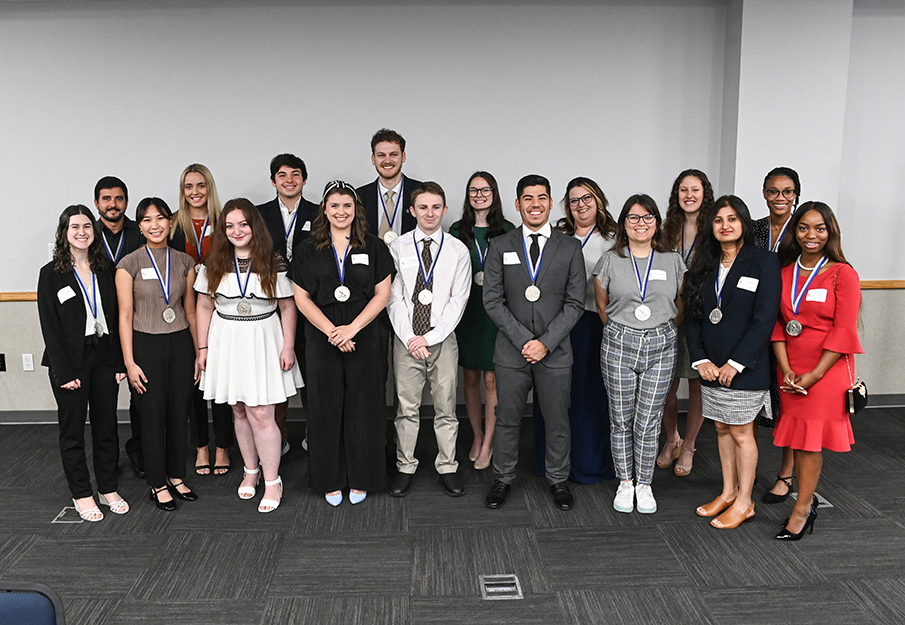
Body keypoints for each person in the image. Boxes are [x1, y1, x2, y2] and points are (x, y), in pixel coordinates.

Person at [482, 174, 585, 511]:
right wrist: (527, 341)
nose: (535, 204)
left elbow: (574, 303)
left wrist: (546, 343)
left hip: (555, 353)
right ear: (517, 204)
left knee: (557, 418)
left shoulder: (569, 247)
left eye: (542, 198)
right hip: (511, 352)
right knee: (507, 417)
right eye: (528, 198)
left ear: (551, 203)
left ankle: (558, 479)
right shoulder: (499, 245)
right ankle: (503, 477)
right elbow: (492, 301)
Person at [195, 198, 303, 513]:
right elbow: (203, 305)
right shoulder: (213, 261)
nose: (237, 230)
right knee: (239, 410)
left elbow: (287, 306)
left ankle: (272, 481)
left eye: (243, 224)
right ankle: (250, 471)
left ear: (254, 225)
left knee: (262, 414)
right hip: (226, 338)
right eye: (229, 225)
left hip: (263, 338)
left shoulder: (274, 260)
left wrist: (288, 346)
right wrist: (203, 349)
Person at [292, 181, 394, 506]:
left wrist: (351, 329)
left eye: (347, 206)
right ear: (324, 209)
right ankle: (329, 479)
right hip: (322, 338)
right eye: (334, 206)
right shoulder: (308, 248)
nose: (341, 212)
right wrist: (332, 332)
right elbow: (301, 298)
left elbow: (383, 295)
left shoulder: (374, 246)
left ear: (356, 210)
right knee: (325, 407)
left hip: (364, 334)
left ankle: (363, 476)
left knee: (364, 407)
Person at [684, 195, 781, 529]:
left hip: (745, 368)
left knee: (741, 433)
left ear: (744, 223)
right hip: (711, 367)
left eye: (732, 219)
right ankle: (727, 493)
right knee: (722, 429)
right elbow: (694, 317)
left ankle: (745, 501)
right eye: (718, 220)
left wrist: (736, 363)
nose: (725, 226)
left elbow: (764, 319)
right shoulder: (704, 263)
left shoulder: (764, 262)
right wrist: (701, 361)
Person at [771, 202, 863, 540]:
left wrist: (814, 374)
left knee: (810, 443)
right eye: (804, 228)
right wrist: (786, 368)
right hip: (791, 369)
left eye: (820, 228)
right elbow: (778, 326)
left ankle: (803, 508)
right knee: (798, 438)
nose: (812, 235)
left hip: (825, 371)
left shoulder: (842, 273)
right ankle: (803, 502)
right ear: (794, 232)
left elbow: (844, 330)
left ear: (830, 232)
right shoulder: (782, 275)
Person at [594, 194, 684, 514]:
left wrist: (659, 327)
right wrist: (624, 328)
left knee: (648, 420)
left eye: (647, 217)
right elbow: (602, 304)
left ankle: (644, 483)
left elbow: (680, 301)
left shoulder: (671, 260)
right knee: (621, 419)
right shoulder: (610, 260)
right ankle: (625, 482)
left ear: (656, 222)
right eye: (633, 217)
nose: (640, 223)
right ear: (624, 224)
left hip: (661, 345)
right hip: (618, 344)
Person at [38, 205, 129, 522]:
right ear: (64, 232)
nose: (81, 232)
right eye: (74, 226)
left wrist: (119, 361)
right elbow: (49, 326)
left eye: (87, 226)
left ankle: (107, 487)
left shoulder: (107, 269)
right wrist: (63, 372)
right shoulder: (51, 274)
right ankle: (82, 493)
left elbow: (118, 319)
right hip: (69, 363)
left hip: (104, 356)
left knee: (107, 429)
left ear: (95, 231)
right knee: (73, 432)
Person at [387, 182, 472, 497]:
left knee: (446, 407)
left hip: (443, 341)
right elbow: (393, 299)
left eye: (436, 207)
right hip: (405, 340)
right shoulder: (397, 249)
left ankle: (447, 466)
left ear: (445, 210)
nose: (430, 213)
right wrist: (411, 337)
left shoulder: (457, 251)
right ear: (412, 211)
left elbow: (458, 300)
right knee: (406, 408)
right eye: (423, 207)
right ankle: (405, 465)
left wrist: (431, 338)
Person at [116, 197, 198, 511]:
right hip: (144, 345)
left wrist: (197, 353)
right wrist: (129, 361)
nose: (155, 225)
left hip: (179, 344)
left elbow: (189, 310)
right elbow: (125, 315)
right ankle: (157, 482)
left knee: (179, 413)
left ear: (170, 222)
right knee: (151, 417)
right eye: (148, 220)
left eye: (161, 218)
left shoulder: (184, 262)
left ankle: (177, 475)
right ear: (140, 226)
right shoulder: (128, 264)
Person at [534, 177, 618, 484]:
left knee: (587, 394)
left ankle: (587, 463)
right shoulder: (557, 235)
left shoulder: (614, 238)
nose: (581, 205)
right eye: (574, 200)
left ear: (598, 201)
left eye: (587, 198)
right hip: (558, 325)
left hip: (593, 324)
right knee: (556, 394)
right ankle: (552, 463)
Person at [448, 171, 515, 471]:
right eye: (474, 190)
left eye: (485, 189)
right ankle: (475, 435)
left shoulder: (508, 230)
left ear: (494, 193)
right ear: (467, 195)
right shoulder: (456, 230)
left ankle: (489, 442)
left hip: (497, 313)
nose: (479, 195)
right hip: (467, 312)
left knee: (491, 379)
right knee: (471, 377)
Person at [171, 164, 234, 476]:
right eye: (188, 187)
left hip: (219, 310)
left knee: (219, 382)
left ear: (210, 187)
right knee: (193, 382)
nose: (195, 192)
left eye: (200, 185)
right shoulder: (172, 227)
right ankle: (201, 447)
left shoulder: (225, 222)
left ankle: (223, 446)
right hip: (183, 313)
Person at [257, 153, 319, 455]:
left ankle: (313, 433)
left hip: (311, 305)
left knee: (312, 374)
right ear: (273, 181)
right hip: (271, 308)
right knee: (274, 375)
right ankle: (277, 439)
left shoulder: (321, 213)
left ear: (304, 179)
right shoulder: (258, 215)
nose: (289, 180)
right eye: (282, 175)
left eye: (296, 174)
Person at [656, 170, 713, 477]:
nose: (689, 195)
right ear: (676, 195)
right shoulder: (666, 230)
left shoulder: (715, 229)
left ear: (705, 194)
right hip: (669, 316)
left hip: (702, 318)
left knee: (696, 384)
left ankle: (689, 444)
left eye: (695, 189)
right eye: (683, 190)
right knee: (666, 384)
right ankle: (671, 438)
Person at [753, 166, 801, 504]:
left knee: (790, 401)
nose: (780, 198)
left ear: (796, 194)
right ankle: (748, 466)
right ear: (765, 193)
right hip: (756, 321)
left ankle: (786, 474)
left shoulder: (804, 227)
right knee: (752, 398)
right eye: (773, 191)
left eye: (786, 192)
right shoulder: (754, 228)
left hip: (792, 323)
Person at [93, 176, 146, 479]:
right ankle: (108, 459)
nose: (113, 204)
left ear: (126, 201)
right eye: (106, 199)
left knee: (139, 394)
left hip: (136, 323)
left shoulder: (139, 232)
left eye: (119, 198)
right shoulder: (88, 234)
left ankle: (138, 451)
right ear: (97, 202)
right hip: (101, 328)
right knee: (104, 399)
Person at [356, 128, 422, 242]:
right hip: (372, 259)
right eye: (381, 155)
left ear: (403, 156)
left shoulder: (421, 193)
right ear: (373, 159)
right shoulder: (359, 196)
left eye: (393, 154)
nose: (387, 161)